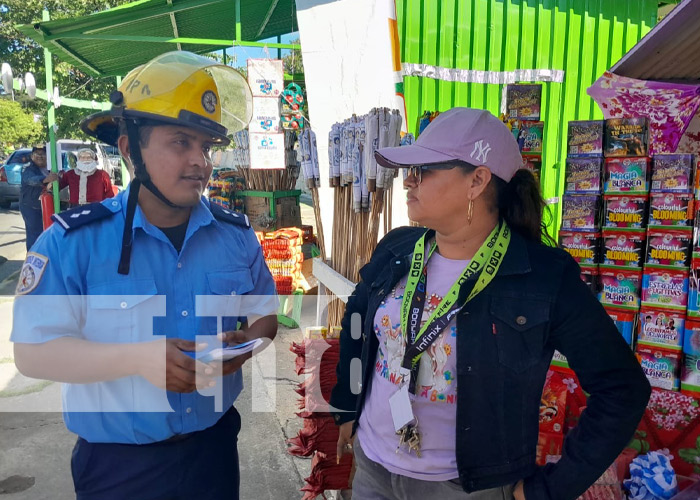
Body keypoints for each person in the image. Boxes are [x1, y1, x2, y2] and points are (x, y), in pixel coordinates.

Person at [330, 107, 651, 500]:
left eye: (424, 170)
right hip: (374, 468)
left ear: (477, 181)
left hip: (466, 489)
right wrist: (346, 405)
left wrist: (547, 490)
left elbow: (622, 388)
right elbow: (358, 319)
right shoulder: (397, 248)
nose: (408, 182)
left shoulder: (544, 277)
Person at [11, 51, 276, 500]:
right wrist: (137, 360)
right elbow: (33, 354)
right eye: (181, 142)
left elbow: (264, 317)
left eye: (206, 147)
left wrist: (244, 348)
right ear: (131, 149)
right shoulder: (71, 244)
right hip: (119, 469)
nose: (201, 162)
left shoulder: (235, 236)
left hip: (213, 454)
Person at [19, 145, 58, 250]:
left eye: (43, 154)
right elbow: (30, 179)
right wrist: (46, 179)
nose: (40, 156)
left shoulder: (51, 168)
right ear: (32, 156)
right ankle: (32, 260)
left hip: (47, 206)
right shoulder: (28, 168)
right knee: (34, 235)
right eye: (37, 154)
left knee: (48, 233)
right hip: (31, 207)